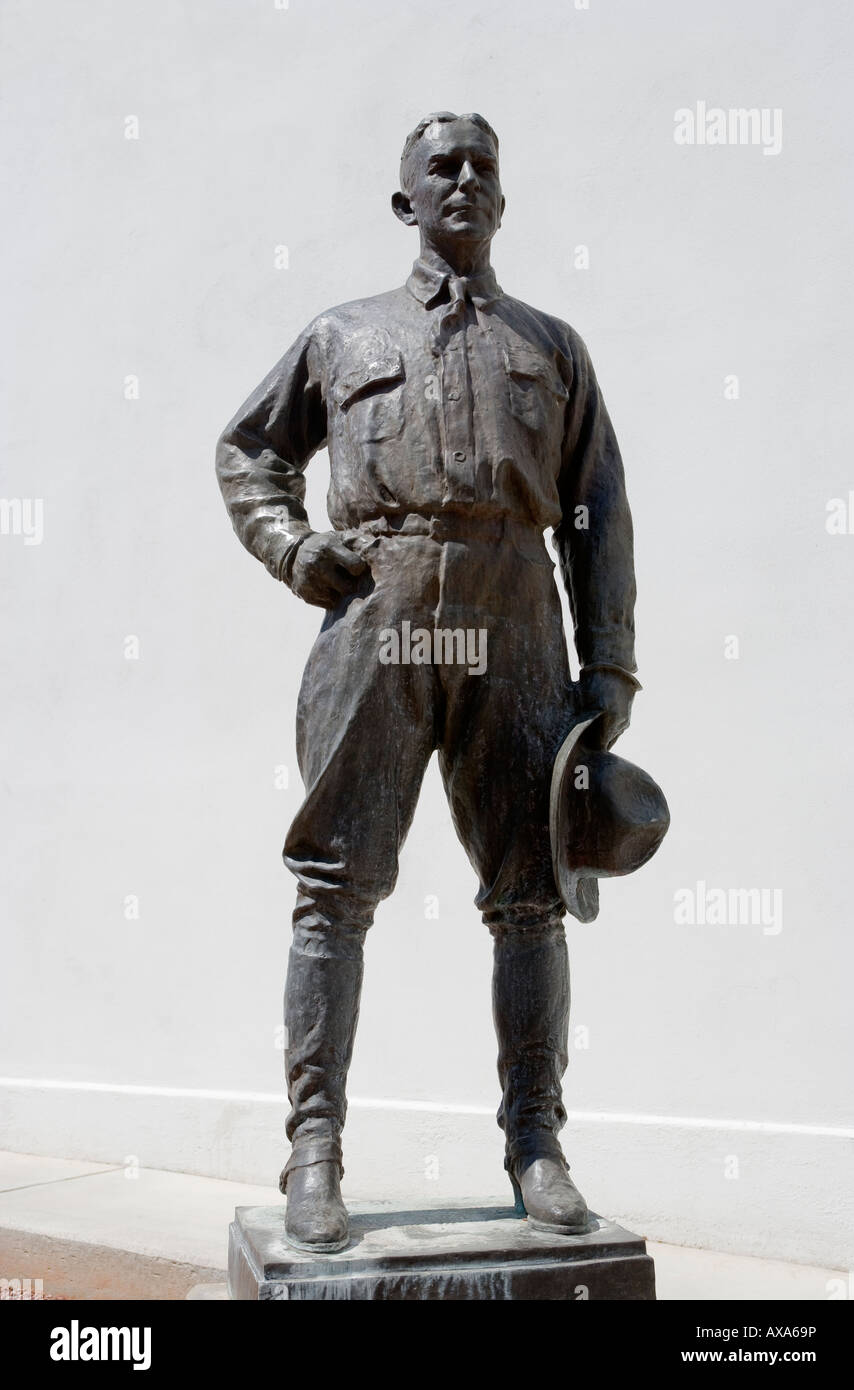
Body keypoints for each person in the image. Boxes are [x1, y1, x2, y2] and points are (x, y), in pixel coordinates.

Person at [216, 111, 640, 1253]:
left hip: (513, 617)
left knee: (529, 898)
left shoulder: (551, 344)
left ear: (502, 200)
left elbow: (595, 508)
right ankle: (313, 1151)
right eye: (439, 168)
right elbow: (249, 452)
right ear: (404, 201)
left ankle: (536, 1144)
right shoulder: (340, 334)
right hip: (384, 612)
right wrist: (295, 546)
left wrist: (607, 659)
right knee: (334, 888)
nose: (463, 180)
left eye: (482, 168)